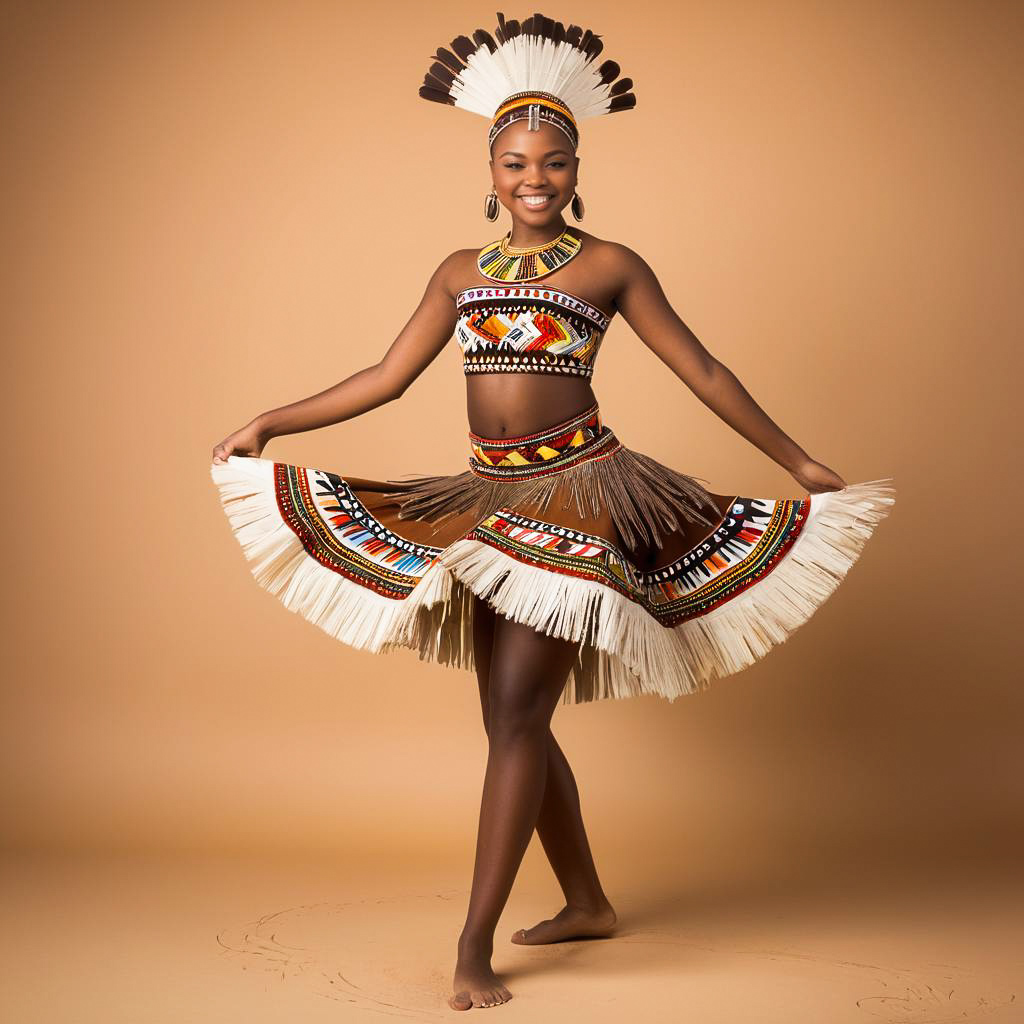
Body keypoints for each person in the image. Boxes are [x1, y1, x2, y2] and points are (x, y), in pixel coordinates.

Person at [209, 11, 895, 1012]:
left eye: (554, 161)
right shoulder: (458, 271)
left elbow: (701, 367)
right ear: (490, 171)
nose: (535, 177)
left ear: (577, 169)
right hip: (484, 497)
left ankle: (472, 946)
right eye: (516, 161)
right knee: (511, 716)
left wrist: (794, 458)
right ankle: (586, 901)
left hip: (580, 493)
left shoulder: (610, 264)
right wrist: (270, 419)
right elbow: (387, 376)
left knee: (517, 718)